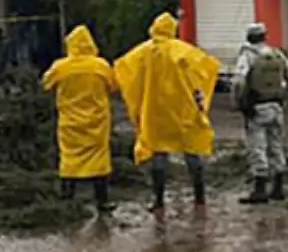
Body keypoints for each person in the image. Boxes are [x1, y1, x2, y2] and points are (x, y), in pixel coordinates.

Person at [116, 12, 220, 213]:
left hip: (155, 112)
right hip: (183, 110)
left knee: (158, 152)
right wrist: (200, 99)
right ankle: (200, 198)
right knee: (191, 150)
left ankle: (159, 200)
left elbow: (123, 71)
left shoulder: (143, 52)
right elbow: (208, 67)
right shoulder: (184, 51)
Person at [40, 25, 116, 213]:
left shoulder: (61, 67)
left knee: (69, 158)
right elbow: (113, 86)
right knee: (99, 160)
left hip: (70, 122)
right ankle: (102, 201)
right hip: (97, 121)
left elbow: (45, 84)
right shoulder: (101, 65)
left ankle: (67, 198)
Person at [232, 23, 288, 204]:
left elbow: (238, 81)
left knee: (258, 147)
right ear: (264, 36)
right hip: (276, 106)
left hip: (257, 107)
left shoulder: (247, 56)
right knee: (276, 145)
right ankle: (278, 188)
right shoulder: (277, 54)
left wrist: (240, 102)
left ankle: (260, 190)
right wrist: (284, 97)